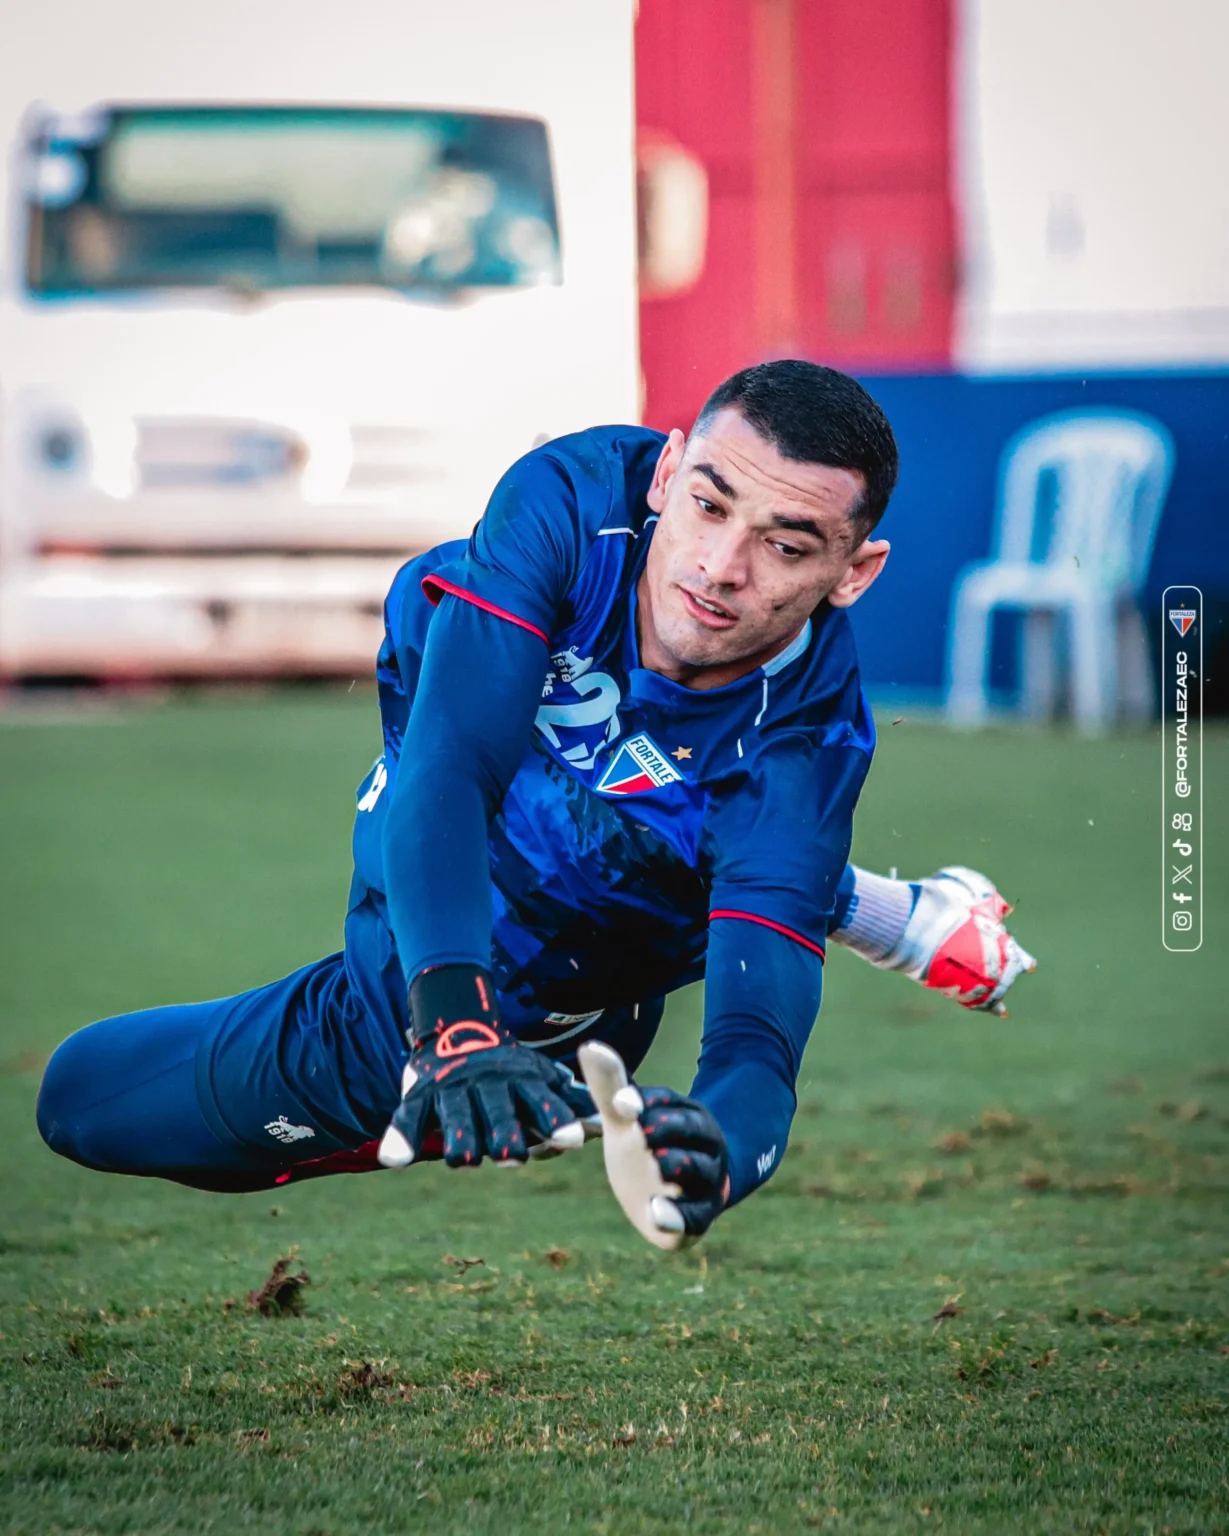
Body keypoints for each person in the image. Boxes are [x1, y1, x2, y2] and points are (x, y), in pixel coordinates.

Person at [37, 361, 1034, 1240]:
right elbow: (454, 766)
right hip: (453, 871)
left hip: (558, 984)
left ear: (852, 574)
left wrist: (719, 1151)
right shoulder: (574, 497)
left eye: (786, 546)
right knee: (77, 1096)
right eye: (708, 504)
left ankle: (812, 887)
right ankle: (871, 906)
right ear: (665, 470)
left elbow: (752, 1039)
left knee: (84, 1097)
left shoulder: (801, 744)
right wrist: (453, 1029)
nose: (720, 566)